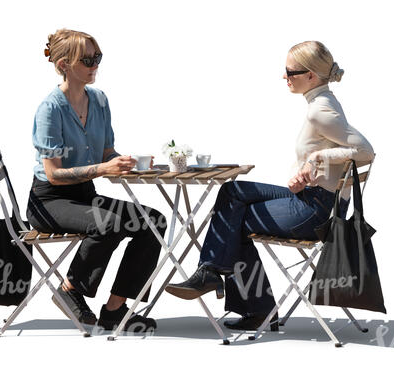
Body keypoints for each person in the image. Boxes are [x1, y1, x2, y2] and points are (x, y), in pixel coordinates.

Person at [165, 41, 375, 331]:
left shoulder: (320, 110)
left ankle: (249, 303)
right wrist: (303, 172)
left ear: (311, 75)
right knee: (231, 191)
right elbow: (330, 155)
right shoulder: (321, 101)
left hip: (315, 212)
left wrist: (318, 157)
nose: (284, 76)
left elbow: (365, 151)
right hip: (310, 196)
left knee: (234, 220)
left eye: (290, 71)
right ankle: (211, 271)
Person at [26, 29, 166, 332]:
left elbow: (107, 152)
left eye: (97, 57)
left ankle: (115, 309)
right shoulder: (50, 110)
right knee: (108, 223)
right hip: (50, 200)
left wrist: (128, 163)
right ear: (64, 64)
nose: (94, 65)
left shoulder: (99, 100)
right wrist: (104, 168)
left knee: (153, 221)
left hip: (84, 195)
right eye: (86, 59)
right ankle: (69, 290)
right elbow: (53, 174)